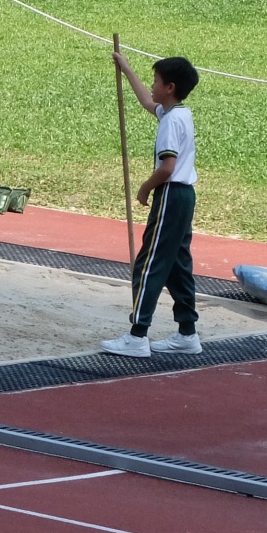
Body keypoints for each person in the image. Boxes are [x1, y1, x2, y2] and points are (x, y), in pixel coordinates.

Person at [102, 51, 202, 358]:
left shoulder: (170, 123)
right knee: (177, 266)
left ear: (170, 87)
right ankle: (187, 332)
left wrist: (145, 188)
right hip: (185, 196)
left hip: (170, 194)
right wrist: (126, 69)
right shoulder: (180, 113)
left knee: (149, 264)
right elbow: (148, 102)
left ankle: (138, 334)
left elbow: (167, 167)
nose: (152, 86)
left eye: (156, 81)